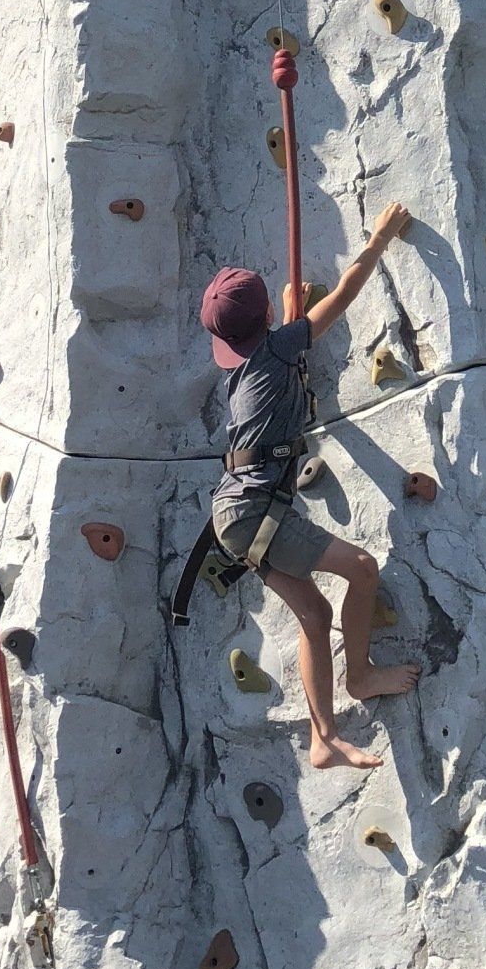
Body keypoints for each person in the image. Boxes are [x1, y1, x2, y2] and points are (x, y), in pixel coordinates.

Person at [200, 201, 420, 770]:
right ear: (270, 314)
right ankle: (361, 674)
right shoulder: (276, 349)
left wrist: (288, 327)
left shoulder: (245, 367)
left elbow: (283, 362)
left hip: (237, 514)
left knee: (315, 616)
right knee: (363, 569)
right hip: (254, 512)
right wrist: (377, 240)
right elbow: (343, 297)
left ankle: (323, 741)